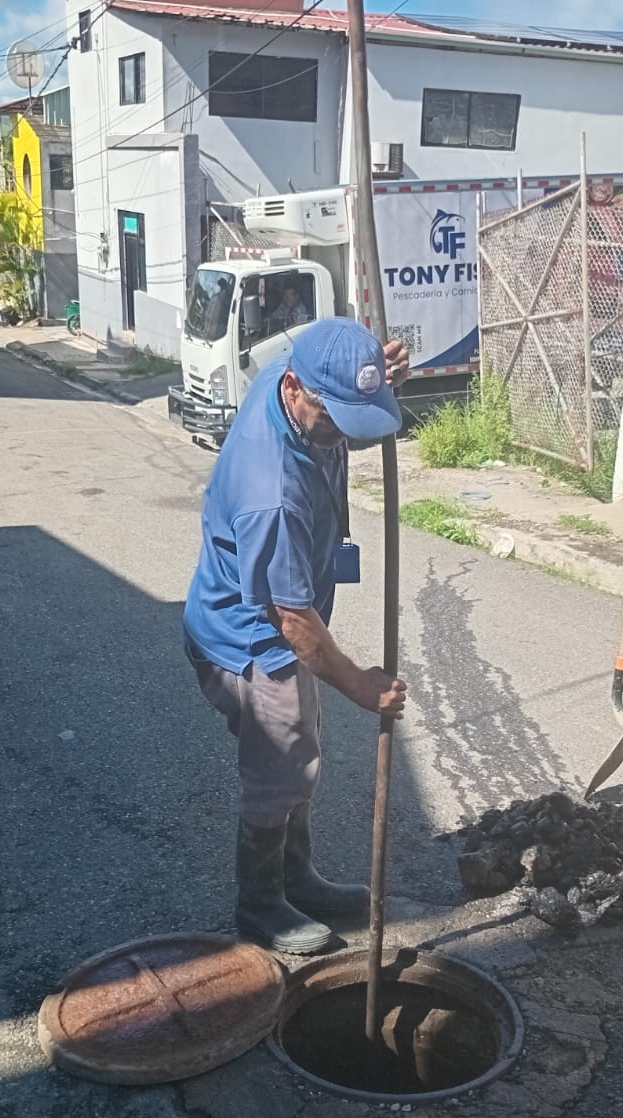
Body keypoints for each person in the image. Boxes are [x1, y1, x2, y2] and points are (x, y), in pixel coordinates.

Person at [184, 319, 411, 955]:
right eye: (334, 418)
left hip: (277, 622)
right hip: (252, 641)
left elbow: (338, 363)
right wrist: (362, 687)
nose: (341, 434)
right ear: (293, 391)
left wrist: (377, 372)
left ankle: (296, 879)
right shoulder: (271, 490)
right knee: (281, 767)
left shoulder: (292, 379)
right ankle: (259, 904)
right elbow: (294, 623)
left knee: (299, 755)